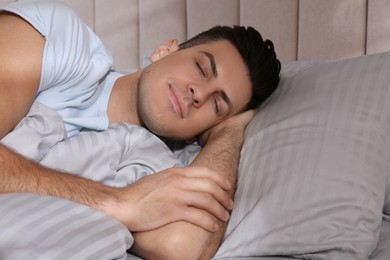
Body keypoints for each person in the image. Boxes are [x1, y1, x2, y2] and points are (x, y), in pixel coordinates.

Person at [0, 0, 281, 259]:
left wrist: (229, 133)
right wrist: (117, 203)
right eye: (201, 67)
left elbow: (182, 246)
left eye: (217, 105)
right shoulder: (62, 40)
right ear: (165, 50)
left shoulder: (155, 167)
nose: (199, 93)